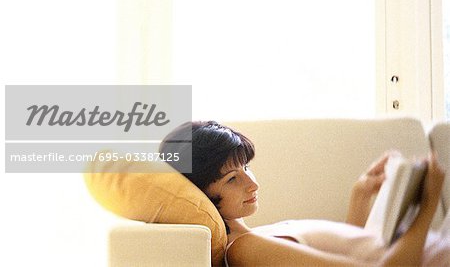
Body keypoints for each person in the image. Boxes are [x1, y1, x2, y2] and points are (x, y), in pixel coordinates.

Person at [159, 121, 448, 266]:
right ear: (201, 192)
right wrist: (428, 202)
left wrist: (360, 195)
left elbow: (354, 252)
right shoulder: (244, 250)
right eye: (232, 179)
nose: (252, 184)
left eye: (247, 167)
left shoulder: (254, 237)